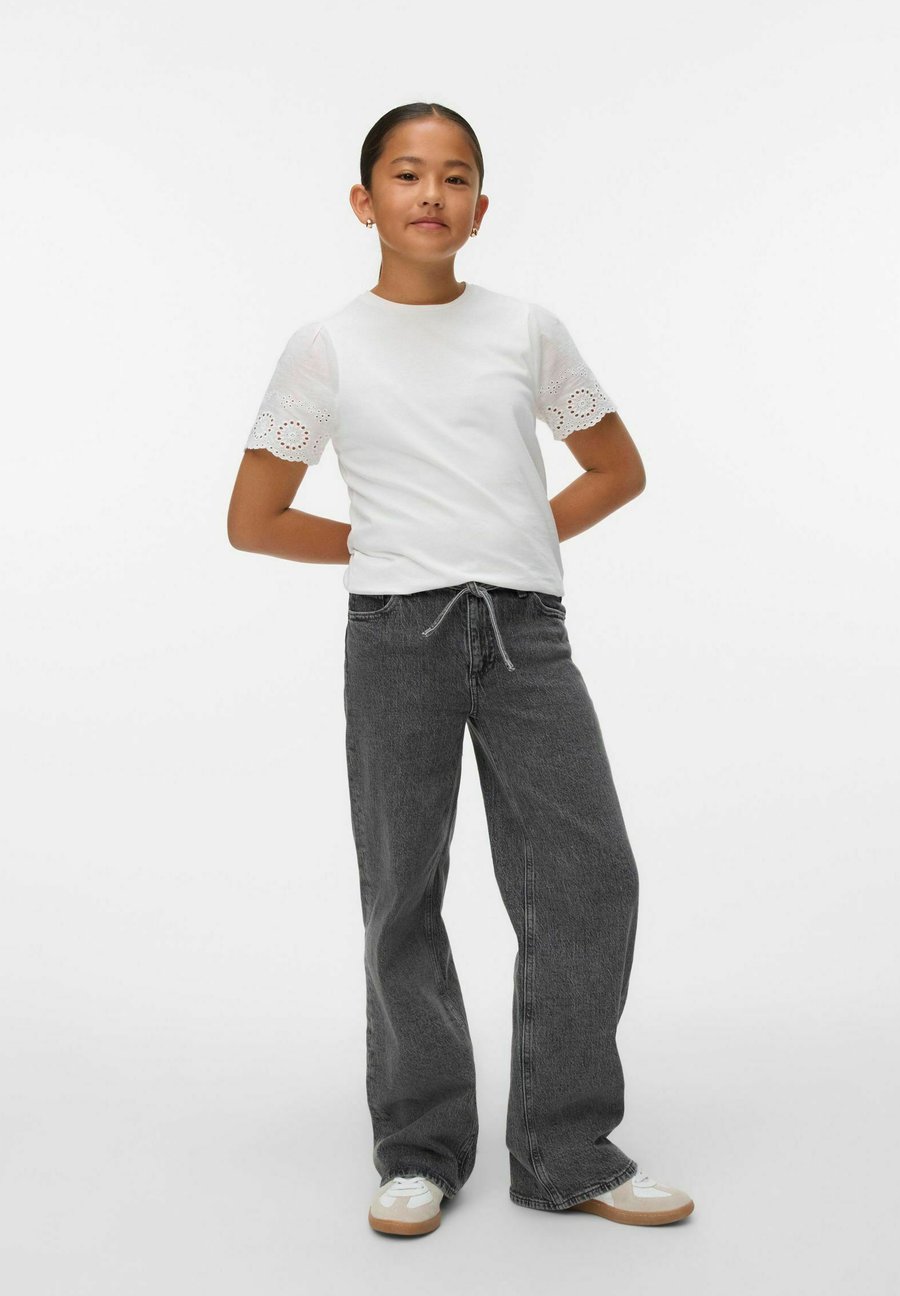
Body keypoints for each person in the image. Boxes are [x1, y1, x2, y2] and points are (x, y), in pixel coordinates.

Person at [228, 102, 694, 1237]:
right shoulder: (327, 345)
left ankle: (566, 1148)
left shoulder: (526, 329)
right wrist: (395, 541)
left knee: (590, 875)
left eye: (454, 177)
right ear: (365, 200)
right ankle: (420, 1151)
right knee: (404, 890)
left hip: (526, 631)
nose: (430, 194)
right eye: (406, 173)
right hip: (398, 633)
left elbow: (616, 469)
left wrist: (506, 537)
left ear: (481, 208)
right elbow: (255, 518)